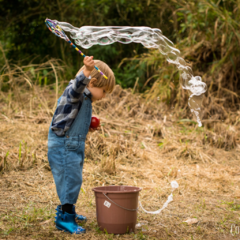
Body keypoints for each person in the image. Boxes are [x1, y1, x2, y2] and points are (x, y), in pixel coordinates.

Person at [47, 56, 115, 234]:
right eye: (104, 91)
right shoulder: (76, 92)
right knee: (70, 180)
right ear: (91, 82)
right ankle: (65, 219)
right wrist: (86, 70)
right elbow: (76, 87)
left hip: (72, 145)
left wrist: (87, 127)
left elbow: (73, 119)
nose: (104, 96)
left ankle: (68, 211)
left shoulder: (86, 99)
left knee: (73, 179)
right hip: (64, 145)